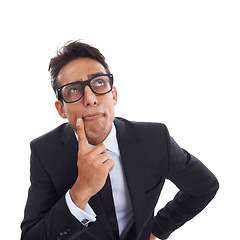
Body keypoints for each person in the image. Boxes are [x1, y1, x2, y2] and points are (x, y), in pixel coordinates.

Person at [21, 40, 219, 240]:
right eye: (74, 89)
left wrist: (157, 230)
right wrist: (80, 192)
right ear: (61, 109)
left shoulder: (154, 139)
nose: (90, 98)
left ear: (113, 95)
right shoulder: (45, 152)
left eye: (98, 83)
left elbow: (204, 186)